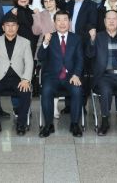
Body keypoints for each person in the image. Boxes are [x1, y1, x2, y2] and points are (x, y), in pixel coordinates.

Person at [0, 14, 34, 137]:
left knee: (25, 92)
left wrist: (26, 79)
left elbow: (29, 62)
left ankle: (21, 123)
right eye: (7, 25)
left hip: (18, 78)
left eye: (13, 25)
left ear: (17, 27)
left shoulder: (25, 42)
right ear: (3, 27)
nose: (10, 28)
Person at [86, 10, 117, 136]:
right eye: (109, 19)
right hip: (104, 75)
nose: (111, 21)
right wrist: (92, 40)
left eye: (114, 19)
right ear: (104, 21)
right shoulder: (98, 36)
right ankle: (104, 122)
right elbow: (89, 54)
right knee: (105, 90)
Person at [38, 10, 84, 138]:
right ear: (54, 23)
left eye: (65, 20)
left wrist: (76, 74)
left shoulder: (76, 38)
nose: (62, 23)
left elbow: (80, 59)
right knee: (46, 90)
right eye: (58, 20)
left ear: (69, 22)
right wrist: (45, 43)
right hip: (52, 77)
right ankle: (48, 125)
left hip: (71, 77)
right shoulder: (48, 37)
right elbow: (40, 57)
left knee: (77, 90)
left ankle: (75, 124)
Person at [58, 0, 97, 110]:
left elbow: (91, 24)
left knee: (82, 74)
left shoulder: (91, 5)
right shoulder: (68, 3)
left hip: (83, 44)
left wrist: (78, 39)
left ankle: (81, 105)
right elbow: (58, 7)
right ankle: (68, 105)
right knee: (68, 72)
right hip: (67, 44)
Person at [32, 0, 62, 117]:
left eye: (51, 0)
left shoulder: (63, 14)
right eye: (45, 1)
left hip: (60, 50)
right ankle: (49, 104)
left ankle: (54, 106)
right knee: (48, 77)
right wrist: (37, 16)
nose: (48, 3)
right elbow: (36, 31)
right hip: (43, 50)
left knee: (59, 75)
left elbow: (69, 30)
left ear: (56, 1)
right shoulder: (41, 14)